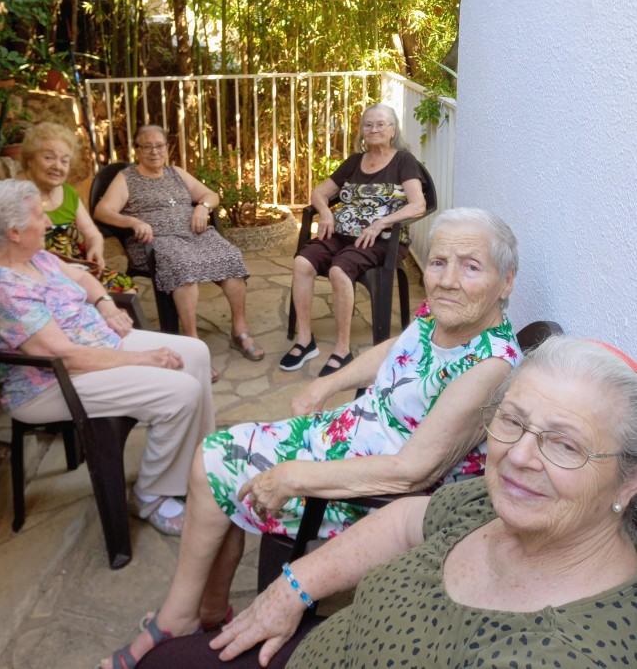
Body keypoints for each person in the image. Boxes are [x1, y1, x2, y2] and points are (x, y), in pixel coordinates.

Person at [98, 207, 522, 669]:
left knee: (214, 462)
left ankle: (181, 617)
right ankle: (206, 612)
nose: (447, 279)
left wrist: (298, 477)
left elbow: (412, 471)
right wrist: (327, 383)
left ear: (507, 282)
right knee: (219, 457)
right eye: (438, 262)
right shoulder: (445, 314)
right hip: (352, 435)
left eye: (471, 266)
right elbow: (396, 350)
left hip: (378, 490)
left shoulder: (490, 365)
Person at [136, 336, 637, 668]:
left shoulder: (569, 651)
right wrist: (293, 587)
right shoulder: (496, 508)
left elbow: (408, 476)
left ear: (627, 482)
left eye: (565, 444)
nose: (518, 457)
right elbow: (402, 523)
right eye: (511, 421)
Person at [0, 179, 215, 536]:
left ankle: (194, 465)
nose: (50, 223)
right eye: (40, 216)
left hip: (96, 345)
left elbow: (83, 279)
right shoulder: (2, 288)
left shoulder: (29, 253)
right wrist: (144, 359)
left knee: (194, 352)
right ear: (13, 231)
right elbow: (64, 357)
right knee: (181, 392)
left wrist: (105, 304)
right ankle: (152, 496)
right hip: (51, 383)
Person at [93, 124, 264, 380]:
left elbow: (210, 194)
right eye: (147, 146)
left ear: (167, 147)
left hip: (194, 235)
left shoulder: (176, 173)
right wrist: (134, 222)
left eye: (159, 146)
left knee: (230, 256)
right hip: (155, 242)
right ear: (137, 150)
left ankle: (239, 330)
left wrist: (202, 207)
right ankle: (192, 344)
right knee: (183, 266)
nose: (154, 152)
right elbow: (102, 211)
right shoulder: (127, 178)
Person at [281, 103, 427, 377]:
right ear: (361, 130)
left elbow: (418, 205)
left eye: (380, 124)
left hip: (382, 239)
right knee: (302, 262)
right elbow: (320, 192)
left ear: (392, 130)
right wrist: (325, 212)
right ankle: (304, 339)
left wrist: (381, 222)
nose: (373, 129)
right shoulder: (353, 162)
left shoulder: (403, 161)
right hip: (340, 234)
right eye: (368, 125)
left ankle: (342, 348)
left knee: (338, 270)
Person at [18, 121, 135, 292]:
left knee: (124, 287)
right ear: (30, 159)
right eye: (48, 157)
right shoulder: (14, 195)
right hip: (38, 276)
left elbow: (91, 232)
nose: (57, 166)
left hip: (78, 269)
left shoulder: (68, 193)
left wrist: (95, 248)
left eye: (64, 161)